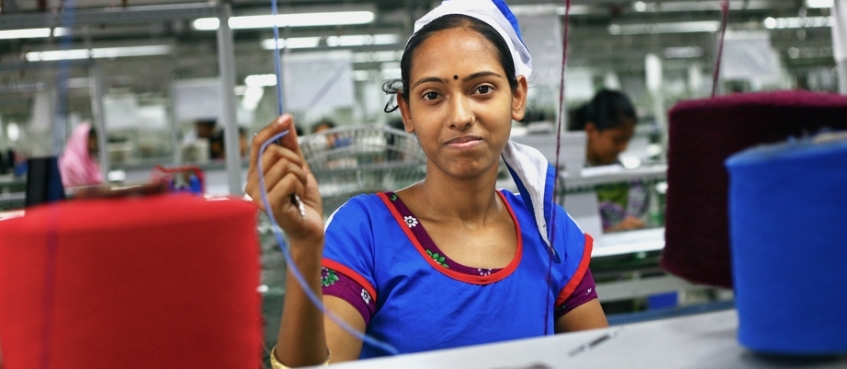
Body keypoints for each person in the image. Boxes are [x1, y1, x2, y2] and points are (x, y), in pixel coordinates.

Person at [246, 1, 607, 366]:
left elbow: (603, 360)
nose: (461, 116)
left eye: (482, 89)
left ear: (517, 96)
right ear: (407, 111)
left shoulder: (550, 232)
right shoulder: (365, 231)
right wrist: (305, 246)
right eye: (432, 95)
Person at [572, 90, 646, 232]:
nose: (624, 148)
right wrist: (614, 231)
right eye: (617, 140)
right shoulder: (570, 180)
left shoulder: (629, 180)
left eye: (627, 140)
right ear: (591, 130)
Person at [58, 123, 103, 188]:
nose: (94, 145)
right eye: (92, 140)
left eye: (95, 140)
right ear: (81, 140)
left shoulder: (91, 163)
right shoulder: (69, 164)